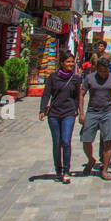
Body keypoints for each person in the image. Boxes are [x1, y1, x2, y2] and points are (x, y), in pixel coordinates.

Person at [79, 57, 111, 179]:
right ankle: (91, 159)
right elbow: (82, 94)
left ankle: (104, 169)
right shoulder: (90, 78)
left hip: (108, 113)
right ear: (97, 69)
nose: (103, 74)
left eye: (106, 71)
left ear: (109, 69)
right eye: (101, 71)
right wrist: (81, 113)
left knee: (108, 141)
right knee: (86, 139)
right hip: (92, 112)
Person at [39, 53, 81, 183]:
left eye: (72, 62)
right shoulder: (53, 78)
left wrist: (77, 109)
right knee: (57, 142)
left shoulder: (75, 78)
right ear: (62, 63)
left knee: (66, 141)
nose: (71, 64)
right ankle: (58, 171)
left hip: (69, 113)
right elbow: (46, 94)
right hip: (54, 114)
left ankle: (67, 171)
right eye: (68, 62)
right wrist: (42, 109)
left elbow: (77, 96)